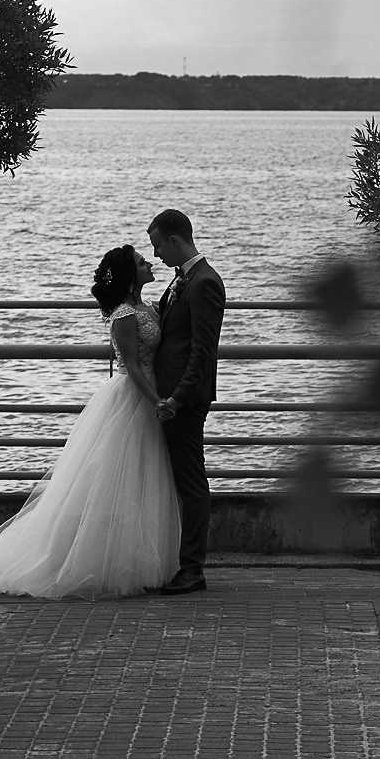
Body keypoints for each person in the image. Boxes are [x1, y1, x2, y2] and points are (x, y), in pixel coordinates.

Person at [0, 245, 181, 599]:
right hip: (134, 396)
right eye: (141, 262)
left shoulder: (150, 307)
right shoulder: (124, 315)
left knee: (146, 476)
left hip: (149, 394)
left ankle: (144, 558)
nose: (148, 263)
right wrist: (157, 400)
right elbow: (130, 366)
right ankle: (101, 560)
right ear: (130, 276)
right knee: (118, 477)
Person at [147, 207, 224, 595]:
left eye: (158, 246)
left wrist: (178, 398)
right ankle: (183, 563)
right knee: (181, 480)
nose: (157, 255)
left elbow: (202, 352)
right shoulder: (184, 279)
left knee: (191, 483)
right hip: (171, 396)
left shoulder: (205, 283)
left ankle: (193, 569)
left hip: (185, 400)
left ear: (175, 240)